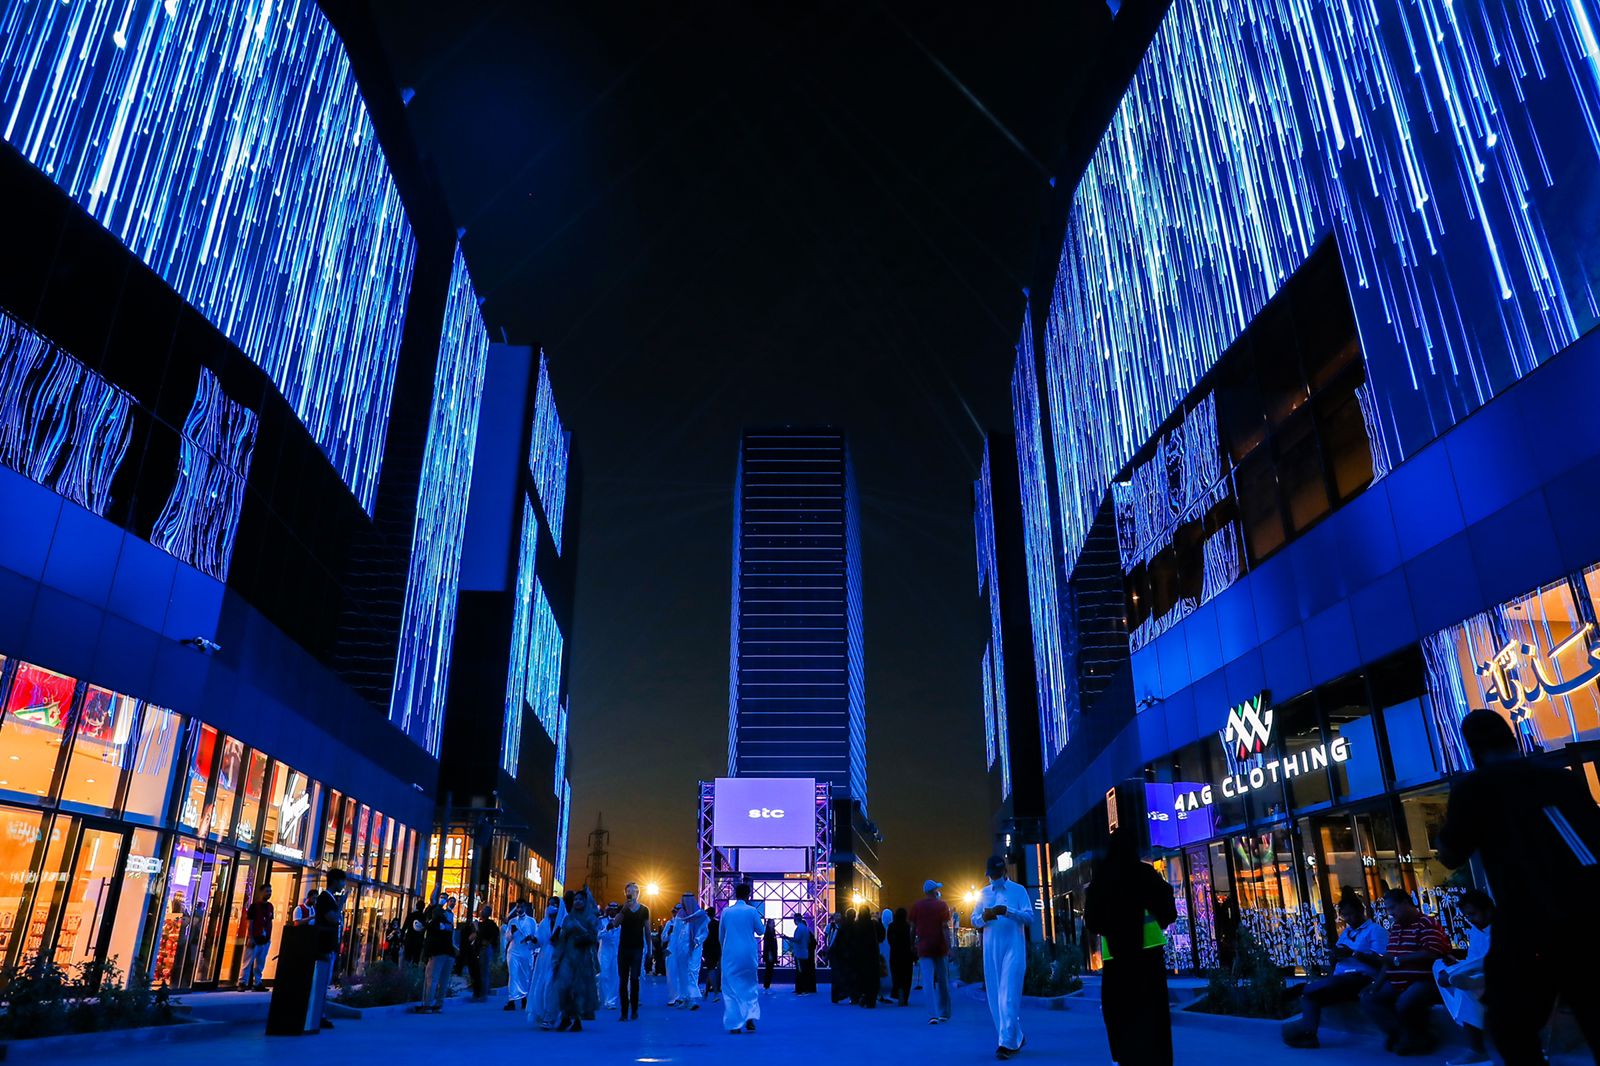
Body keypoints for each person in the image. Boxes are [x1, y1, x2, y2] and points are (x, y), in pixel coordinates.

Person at [1438, 708, 1600, 1065]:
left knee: (1509, 1024)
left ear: (1471, 748)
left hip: (1528, 920)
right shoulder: (1560, 779)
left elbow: (1451, 853)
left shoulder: (1476, 788)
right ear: (1512, 737)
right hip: (1589, 916)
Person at [1084, 832, 1177, 1066]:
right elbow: (1168, 907)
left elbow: (1092, 921)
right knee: (1153, 1013)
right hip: (1150, 955)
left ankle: (1125, 1057)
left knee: (1120, 1013)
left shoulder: (1102, 879)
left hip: (1117, 959)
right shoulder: (1144, 873)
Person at [1282, 889, 1389, 1048]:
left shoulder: (1375, 930)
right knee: (1311, 996)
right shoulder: (1347, 932)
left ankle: (1303, 988)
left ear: (1361, 911)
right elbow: (1340, 956)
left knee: (1321, 987)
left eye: (1352, 914)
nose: (1349, 919)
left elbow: (1382, 961)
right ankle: (1308, 1034)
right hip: (1341, 978)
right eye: (1345, 916)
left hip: (1362, 978)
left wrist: (1353, 953)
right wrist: (1335, 957)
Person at [1360, 888, 1451, 1055]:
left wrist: (1399, 960)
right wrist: (1376, 984)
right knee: (1369, 998)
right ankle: (1402, 1035)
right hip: (1397, 981)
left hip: (1425, 981)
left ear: (1405, 903)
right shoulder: (1396, 928)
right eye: (1388, 909)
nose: (1390, 913)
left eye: (1393, 908)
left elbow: (1433, 953)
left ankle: (1416, 1038)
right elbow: (1389, 959)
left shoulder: (1426, 923)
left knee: (1405, 1001)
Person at [973, 856, 1037, 1059]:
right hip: (991, 951)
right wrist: (984, 917)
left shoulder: (1018, 891)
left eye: (996, 874)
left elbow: (1029, 917)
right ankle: (1015, 1035)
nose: (993, 878)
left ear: (1004, 872)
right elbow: (974, 920)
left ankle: (1006, 1043)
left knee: (1007, 994)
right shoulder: (983, 894)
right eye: (990, 875)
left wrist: (1008, 912)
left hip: (1014, 949)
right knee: (994, 997)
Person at [1435, 890, 1493, 1066]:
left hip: (1501, 974)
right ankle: (1466, 981)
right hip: (1475, 974)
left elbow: (1490, 960)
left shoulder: (1503, 928)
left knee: (1463, 988)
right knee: (1438, 966)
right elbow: (1472, 959)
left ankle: (1477, 1050)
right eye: (1467, 915)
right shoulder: (1475, 931)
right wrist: (1456, 964)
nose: (1470, 919)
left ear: (1488, 909)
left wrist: (1456, 971)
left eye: (1472, 913)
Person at [554, 890, 600, 1031]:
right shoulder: (568, 918)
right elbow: (562, 938)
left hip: (583, 958)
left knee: (578, 989)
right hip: (568, 956)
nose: (578, 902)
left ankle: (577, 1019)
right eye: (576, 899)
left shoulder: (590, 918)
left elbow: (593, 938)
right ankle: (565, 1016)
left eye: (581, 899)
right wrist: (557, 957)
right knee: (563, 987)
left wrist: (579, 928)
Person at [720, 882, 762, 1034]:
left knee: (731, 988)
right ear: (748, 894)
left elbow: (721, 935)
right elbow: (761, 930)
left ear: (735, 894)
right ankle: (750, 1019)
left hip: (730, 952)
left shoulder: (726, 912)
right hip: (748, 953)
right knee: (749, 985)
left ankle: (735, 1024)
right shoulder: (752, 911)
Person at [909, 879, 953, 1024]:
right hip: (940, 947)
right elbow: (945, 927)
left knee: (927, 981)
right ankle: (944, 1013)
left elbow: (913, 928)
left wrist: (912, 944)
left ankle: (932, 1014)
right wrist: (950, 946)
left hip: (924, 948)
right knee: (942, 981)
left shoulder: (917, 906)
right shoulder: (942, 905)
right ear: (935, 891)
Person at [310, 869, 346, 1030]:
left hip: (329, 945)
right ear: (335, 881)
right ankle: (318, 1014)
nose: (344, 884)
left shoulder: (329, 898)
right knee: (321, 982)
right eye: (342, 881)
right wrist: (341, 904)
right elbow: (332, 917)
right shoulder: (325, 898)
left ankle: (320, 1013)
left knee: (325, 981)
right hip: (323, 945)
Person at [526, 897, 565, 1029]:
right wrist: (533, 939)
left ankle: (551, 1015)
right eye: (549, 904)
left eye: (554, 905)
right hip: (544, 959)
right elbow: (539, 940)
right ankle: (543, 1014)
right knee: (541, 985)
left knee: (551, 985)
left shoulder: (564, 922)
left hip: (558, 957)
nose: (551, 907)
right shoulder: (544, 923)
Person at [616, 882, 651, 1021]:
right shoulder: (623, 908)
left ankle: (634, 1010)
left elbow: (647, 930)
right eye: (628, 891)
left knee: (635, 979)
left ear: (638, 893)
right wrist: (624, 909)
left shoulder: (644, 910)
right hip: (624, 948)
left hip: (637, 948)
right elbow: (615, 923)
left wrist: (650, 949)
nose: (631, 893)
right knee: (623, 981)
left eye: (634, 891)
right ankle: (624, 1012)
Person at [418, 891, 456, 1013]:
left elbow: (426, 930)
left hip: (437, 953)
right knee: (443, 980)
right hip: (449, 953)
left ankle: (427, 1005)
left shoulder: (434, 922)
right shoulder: (448, 921)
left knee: (431, 979)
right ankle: (438, 1004)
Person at [238, 883, 273, 991]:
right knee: (248, 961)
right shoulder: (254, 906)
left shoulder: (270, 906)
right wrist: (250, 937)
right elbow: (250, 923)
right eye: (267, 891)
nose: (269, 893)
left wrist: (269, 937)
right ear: (261, 892)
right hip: (255, 938)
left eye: (270, 891)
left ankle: (257, 982)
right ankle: (242, 982)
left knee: (260, 962)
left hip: (265, 939)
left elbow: (270, 921)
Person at [503, 901, 536, 1011]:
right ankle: (511, 1000)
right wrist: (511, 933)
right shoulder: (512, 921)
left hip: (526, 952)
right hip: (513, 951)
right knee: (513, 975)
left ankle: (524, 998)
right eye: (517, 907)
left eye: (521, 907)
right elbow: (507, 938)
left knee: (525, 975)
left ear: (525, 908)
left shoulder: (531, 921)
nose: (519, 909)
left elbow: (535, 937)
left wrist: (530, 938)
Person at [681, 894, 710, 1009]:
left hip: (695, 948)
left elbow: (705, 933)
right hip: (684, 948)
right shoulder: (683, 915)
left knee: (692, 972)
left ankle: (692, 999)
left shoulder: (701, 916)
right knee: (684, 972)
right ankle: (686, 998)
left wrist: (697, 940)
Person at [854, 908, 882, 1008]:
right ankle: (871, 999)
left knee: (861, 977)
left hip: (859, 955)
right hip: (872, 954)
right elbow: (881, 936)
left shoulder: (856, 925)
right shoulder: (873, 924)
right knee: (872, 977)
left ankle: (863, 995)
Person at [888, 907, 914, 1007]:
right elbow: (911, 940)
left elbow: (889, 939)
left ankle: (899, 991)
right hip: (907, 955)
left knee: (897, 975)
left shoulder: (891, 926)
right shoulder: (908, 926)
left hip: (895, 954)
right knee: (907, 977)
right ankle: (905, 996)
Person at [598, 903, 621, 1011]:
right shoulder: (602, 921)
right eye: (611, 910)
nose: (613, 912)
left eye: (615, 910)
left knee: (614, 976)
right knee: (603, 975)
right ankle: (604, 997)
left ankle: (611, 1001)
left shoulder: (621, 922)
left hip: (616, 951)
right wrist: (606, 929)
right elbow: (597, 936)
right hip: (604, 951)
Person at [827, 911, 852, 1003]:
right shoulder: (830, 927)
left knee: (838, 975)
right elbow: (828, 938)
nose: (837, 917)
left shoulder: (843, 928)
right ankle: (836, 995)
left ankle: (839, 994)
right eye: (836, 915)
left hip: (840, 954)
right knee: (835, 975)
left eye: (839, 915)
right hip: (833, 953)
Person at [663, 904, 686, 1006]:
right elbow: (663, 938)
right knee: (671, 974)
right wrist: (669, 932)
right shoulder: (670, 923)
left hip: (682, 951)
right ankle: (673, 997)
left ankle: (681, 997)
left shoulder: (686, 923)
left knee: (682, 974)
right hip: (671, 951)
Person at [789, 914, 816, 995]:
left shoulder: (800, 928)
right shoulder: (805, 929)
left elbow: (797, 939)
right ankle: (801, 988)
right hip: (803, 952)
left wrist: (787, 938)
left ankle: (801, 989)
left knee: (800, 971)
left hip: (800, 953)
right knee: (801, 971)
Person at [476, 905, 500, 996]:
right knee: (483, 970)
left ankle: (483, 992)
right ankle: (483, 991)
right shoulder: (489, 924)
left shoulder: (488, 924)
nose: (481, 912)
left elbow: (482, 935)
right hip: (483, 949)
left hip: (485, 948)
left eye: (483, 911)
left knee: (484, 971)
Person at [703, 910, 723, 1001]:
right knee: (710, 970)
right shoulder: (718, 924)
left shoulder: (705, 924)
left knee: (710, 970)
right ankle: (706, 993)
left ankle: (715, 993)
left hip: (708, 950)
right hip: (717, 950)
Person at [879, 909, 894, 1003]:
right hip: (891, 953)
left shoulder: (880, 928)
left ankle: (881, 992)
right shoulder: (893, 927)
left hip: (882, 952)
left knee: (883, 971)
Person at [762, 919, 779, 991]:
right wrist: (770, 954)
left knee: (770, 970)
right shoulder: (768, 933)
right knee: (769, 969)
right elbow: (768, 944)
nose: (774, 924)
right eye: (773, 923)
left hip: (771, 953)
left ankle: (767, 985)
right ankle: (766, 985)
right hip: (770, 954)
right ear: (769, 924)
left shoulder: (772, 932)